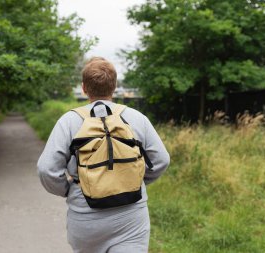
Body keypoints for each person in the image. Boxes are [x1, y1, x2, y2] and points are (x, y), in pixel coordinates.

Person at [37, 57, 170, 253]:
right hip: (131, 217)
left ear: (84, 88)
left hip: (86, 217)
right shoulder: (136, 117)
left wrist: (70, 190)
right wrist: (133, 181)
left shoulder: (69, 121)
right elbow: (162, 160)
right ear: (114, 86)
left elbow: (46, 169)